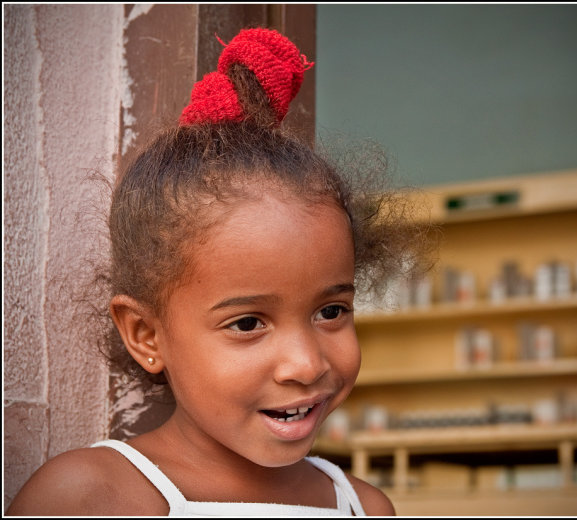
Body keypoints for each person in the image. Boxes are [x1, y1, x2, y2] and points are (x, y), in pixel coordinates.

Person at [8, 27, 429, 516]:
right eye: (248, 323)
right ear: (146, 335)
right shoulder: (91, 497)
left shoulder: (366, 507)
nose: (307, 364)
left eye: (331, 310)